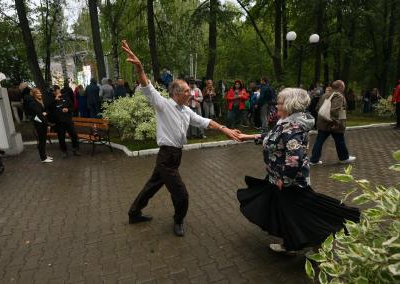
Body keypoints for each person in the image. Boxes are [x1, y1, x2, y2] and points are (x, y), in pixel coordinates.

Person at [121, 40, 241, 237]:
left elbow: (204, 121)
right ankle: (178, 221)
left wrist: (225, 129)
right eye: (186, 90)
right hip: (167, 157)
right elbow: (147, 86)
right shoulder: (163, 104)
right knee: (181, 194)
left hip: (175, 156)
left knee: (152, 186)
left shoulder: (186, 110)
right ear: (176, 93)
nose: (190, 92)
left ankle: (134, 213)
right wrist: (140, 68)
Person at [236, 87, 360, 253]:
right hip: (279, 177)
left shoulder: (293, 127)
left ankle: (318, 238)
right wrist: (249, 137)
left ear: (289, 105)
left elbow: (294, 158)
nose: (276, 105)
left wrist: (284, 180)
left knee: (299, 213)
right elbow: (273, 136)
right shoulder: (286, 122)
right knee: (292, 212)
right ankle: (293, 243)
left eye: (279, 103)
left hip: (290, 181)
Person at [310, 80, 356, 165]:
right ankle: (344, 158)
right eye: (344, 86)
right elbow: (335, 110)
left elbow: (317, 108)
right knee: (340, 140)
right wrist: (337, 123)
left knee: (319, 141)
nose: (344, 87)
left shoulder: (325, 95)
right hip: (333, 123)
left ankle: (314, 160)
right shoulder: (338, 96)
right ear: (341, 87)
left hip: (322, 122)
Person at [48, 85, 80, 158]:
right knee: (61, 138)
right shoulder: (51, 99)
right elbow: (49, 109)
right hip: (59, 123)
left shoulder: (65, 97)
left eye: (55, 90)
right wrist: (55, 100)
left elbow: (72, 107)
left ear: (59, 90)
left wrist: (68, 110)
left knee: (74, 135)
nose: (54, 92)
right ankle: (64, 151)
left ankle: (75, 149)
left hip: (68, 121)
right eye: (53, 91)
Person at [25, 88, 53, 163]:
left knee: (43, 140)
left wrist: (45, 113)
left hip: (42, 123)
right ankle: (43, 158)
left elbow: (43, 112)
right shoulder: (33, 103)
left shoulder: (38, 101)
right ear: (34, 95)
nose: (40, 94)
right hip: (39, 124)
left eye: (40, 92)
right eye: (37, 93)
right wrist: (48, 124)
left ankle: (44, 155)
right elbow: (40, 115)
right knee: (42, 141)